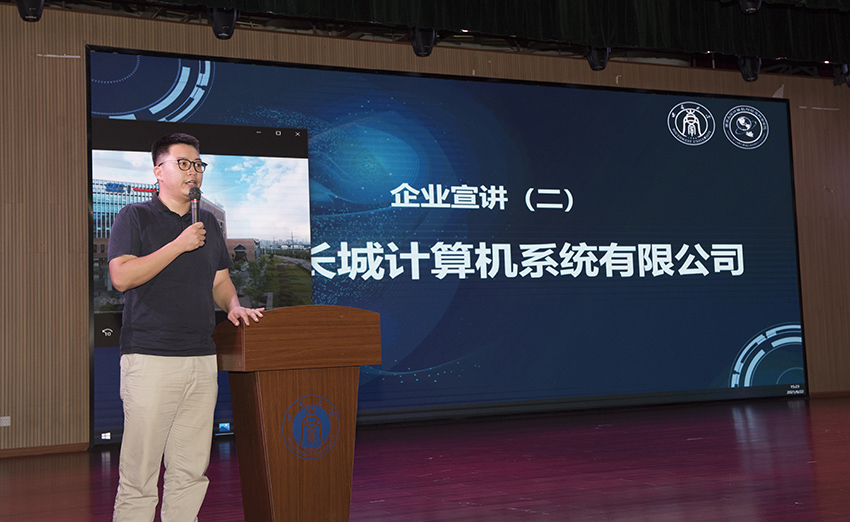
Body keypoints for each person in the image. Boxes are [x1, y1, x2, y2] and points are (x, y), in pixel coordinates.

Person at [108, 132, 264, 522]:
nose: (193, 172)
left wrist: (233, 305)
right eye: (183, 163)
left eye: (198, 165)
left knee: (191, 472)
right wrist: (178, 244)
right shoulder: (135, 216)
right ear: (158, 171)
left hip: (201, 358)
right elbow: (122, 277)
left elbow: (219, 280)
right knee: (140, 476)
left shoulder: (207, 221)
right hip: (150, 357)